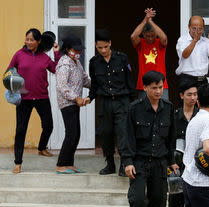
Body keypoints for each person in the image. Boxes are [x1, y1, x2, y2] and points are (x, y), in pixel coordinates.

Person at [122, 71, 177, 207]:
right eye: (154, 88)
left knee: (159, 201)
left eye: (161, 87)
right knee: (137, 199)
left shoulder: (168, 108)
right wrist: (128, 161)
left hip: (160, 163)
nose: (158, 91)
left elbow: (171, 138)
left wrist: (172, 161)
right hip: (139, 162)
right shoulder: (135, 108)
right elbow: (127, 137)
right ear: (145, 88)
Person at [6, 28, 61, 174]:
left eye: (32, 40)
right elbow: (9, 71)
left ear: (38, 41)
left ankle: (42, 148)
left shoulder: (44, 57)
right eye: (27, 39)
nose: (29, 42)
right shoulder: (19, 54)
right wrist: (14, 85)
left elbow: (57, 69)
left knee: (48, 125)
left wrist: (56, 52)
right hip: (24, 99)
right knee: (20, 130)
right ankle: (18, 163)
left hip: (42, 97)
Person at [88, 29, 135, 177]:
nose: (103, 50)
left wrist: (134, 102)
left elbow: (130, 81)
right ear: (96, 46)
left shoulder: (122, 58)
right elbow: (94, 85)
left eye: (105, 47)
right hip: (105, 102)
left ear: (110, 44)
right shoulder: (94, 62)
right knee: (105, 133)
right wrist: (90, 97)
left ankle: (124, 164)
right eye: (99, 48)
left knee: (123, 133)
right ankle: (110, 164)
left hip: (122, 101)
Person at [167, 80, 199, 207]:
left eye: (195, 94)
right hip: (176, 163)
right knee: (175, 197)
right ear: (181, 95)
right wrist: (171, 161)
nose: (193, 98)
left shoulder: (201, 115)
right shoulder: (174, 115)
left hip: (197, 163)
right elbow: (168, 140)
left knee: (194, 197)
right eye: (189, 94)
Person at [55, 34, 91, 174]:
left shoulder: (76, 63)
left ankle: (69, 163)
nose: (79, 53)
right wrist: (76, 98)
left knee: (76, 134)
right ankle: (61, 164)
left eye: (80, 50)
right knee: (71, 133)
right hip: (67, 103)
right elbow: (62, 86)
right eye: (76, 50)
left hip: (75, 104)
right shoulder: (64, 63)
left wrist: (97, 86)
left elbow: (85, 80)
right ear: (68, 49)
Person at [131, 8, 169, 100]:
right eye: (148, 36)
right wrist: (145, 19)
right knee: (143, 113)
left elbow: (164, 38)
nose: (150, 38)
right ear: (143, 34)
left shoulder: (159, 43)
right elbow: (133, 36)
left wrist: (151, 22)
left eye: (153, 35)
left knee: (164, 111)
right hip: (144, 85)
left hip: (161, 84)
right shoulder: (141, 43)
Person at [175, 16, 209, 87]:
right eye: (194, 28)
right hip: (187, 79)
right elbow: (185, 55)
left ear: (203, 29)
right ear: (189, 27)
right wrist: (195, 40)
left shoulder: (206, 41)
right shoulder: (182, 40)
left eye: (200, 29)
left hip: (202, 80)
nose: (197, 31)